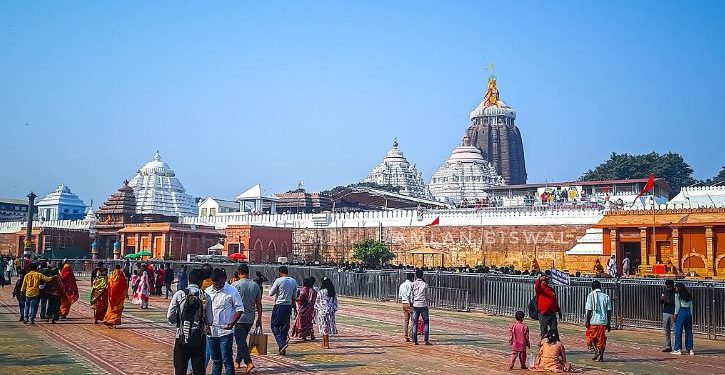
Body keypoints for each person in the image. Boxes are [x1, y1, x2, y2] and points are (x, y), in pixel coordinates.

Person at [168, 268, 209, 375]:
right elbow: (210, 320)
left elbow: (170, 317)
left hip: (181, 336)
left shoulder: (179, 294)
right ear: (200, 282)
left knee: (180, 369)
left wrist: (177, 321)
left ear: (189, 280)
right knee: (198, 370)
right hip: (199, 337)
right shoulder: (205, 296)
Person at [205, 268, 244, 375]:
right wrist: (206, 325)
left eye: (220, 283)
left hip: (226, 332)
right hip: (211, 332)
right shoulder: (207, 292)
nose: (217, 285)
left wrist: (232, 322)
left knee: (227, 360)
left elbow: (239, 308)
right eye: (215, 283)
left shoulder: (232, 291)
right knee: (216, 360)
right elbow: (203, 310)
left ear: (224, 280)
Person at [231, 264, 262, 373]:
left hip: (238, 317)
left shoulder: (234, 285)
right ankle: (238, 360)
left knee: (240, 340)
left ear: (239, 273)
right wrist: (260, 318)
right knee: (242, 340)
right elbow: (259, 304)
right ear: (248, 273)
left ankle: (248, 362)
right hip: (250, 317)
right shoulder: (255, 285)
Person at [268, 265, 298, 355]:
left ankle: (282, 343)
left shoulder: (279, 280)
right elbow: (294, 296)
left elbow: (270, 293)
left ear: (280, 273)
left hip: (279, 305)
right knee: (284, 327)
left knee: (274, 325)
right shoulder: (293, 281)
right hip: (288, 306)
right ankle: (282, 349)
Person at [585, 280, 612, 362]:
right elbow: (609, 311)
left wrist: (587, 321)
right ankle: (601, 356)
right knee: (602, 339)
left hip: (593, 321)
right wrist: (609, 323)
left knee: (591, 337)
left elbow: (589, 310)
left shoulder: (590, 296)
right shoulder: (606, 296)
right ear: (600, 287)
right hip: (603, 321)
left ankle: (596, 351)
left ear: (592, 287)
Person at [535, 272, 561, 337]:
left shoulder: (551, 289)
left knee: (554, 331)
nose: (546, 282)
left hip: (552, 314)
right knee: (544, 331)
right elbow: (536, 287)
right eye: (544, 281)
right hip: (543, 314)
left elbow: (555, 301)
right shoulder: (540, 289)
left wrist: (558, 310)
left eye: (547, 280)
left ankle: (555, 345)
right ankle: (544, 345)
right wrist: (539, 279)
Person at [315, 277, 338, 349]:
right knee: (327, 326)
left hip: (322, 311)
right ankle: (325, 343)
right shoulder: (332, 292)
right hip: (330, 311)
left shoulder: (321, 292)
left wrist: (316, 309)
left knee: (323, 327)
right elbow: (335, 303)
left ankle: (326, 343)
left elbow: (317, 301)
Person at [292, 277, 317, 341]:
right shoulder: (313, 291)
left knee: (302, 323)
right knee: (309, 322)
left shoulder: (304, 290)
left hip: (304, 309)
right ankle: (311, 334)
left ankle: (303, 336)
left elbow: (300, 299)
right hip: (311, 309)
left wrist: (294, 298)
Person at [409, 269, 431, 345]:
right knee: (426, 323)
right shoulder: (425, 284)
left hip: (415, 304)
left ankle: (415, 340)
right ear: (422, 275)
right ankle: (426, 340)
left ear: (416, 275)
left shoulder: (413, 284)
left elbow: (411, 295)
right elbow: (427, 296)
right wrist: (428, 302)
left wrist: (411, 303)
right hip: (423, 304)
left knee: (415, 322)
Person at [672, 282, 694, 355]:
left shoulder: (677, 295)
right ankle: (690, 349)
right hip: (688, 312)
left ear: (679, 288)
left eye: (676, 287)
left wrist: (675, 314)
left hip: (681, 311)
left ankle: (678, 349)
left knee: (679, 330)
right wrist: (691, 315)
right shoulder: (688, 295)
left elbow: (677, 306)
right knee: (689, 331)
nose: (675, 289)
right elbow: (691, 306)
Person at [659, 280, 676, 352]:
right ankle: (668, 346)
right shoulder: (665, 291)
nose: (668, 287)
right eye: (666, 286)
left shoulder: (675, 292)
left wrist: (666, 299)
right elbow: (661, 302)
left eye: (669, 286)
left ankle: (676, 347)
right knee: (667, 330)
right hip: (666, 312)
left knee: (675, 331)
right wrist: (662, 299)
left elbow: (674, 302)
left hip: (673, 313)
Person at [398, 273, 414, 342]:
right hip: (409, 303)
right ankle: (411, 335)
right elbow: (410, 294)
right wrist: (411, 302)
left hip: (403, 303)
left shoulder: (402, 285)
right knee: (413, 320)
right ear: (412, 278)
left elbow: (400, 296)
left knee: (406, 320)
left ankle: (405, 335)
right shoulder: (411, 284)